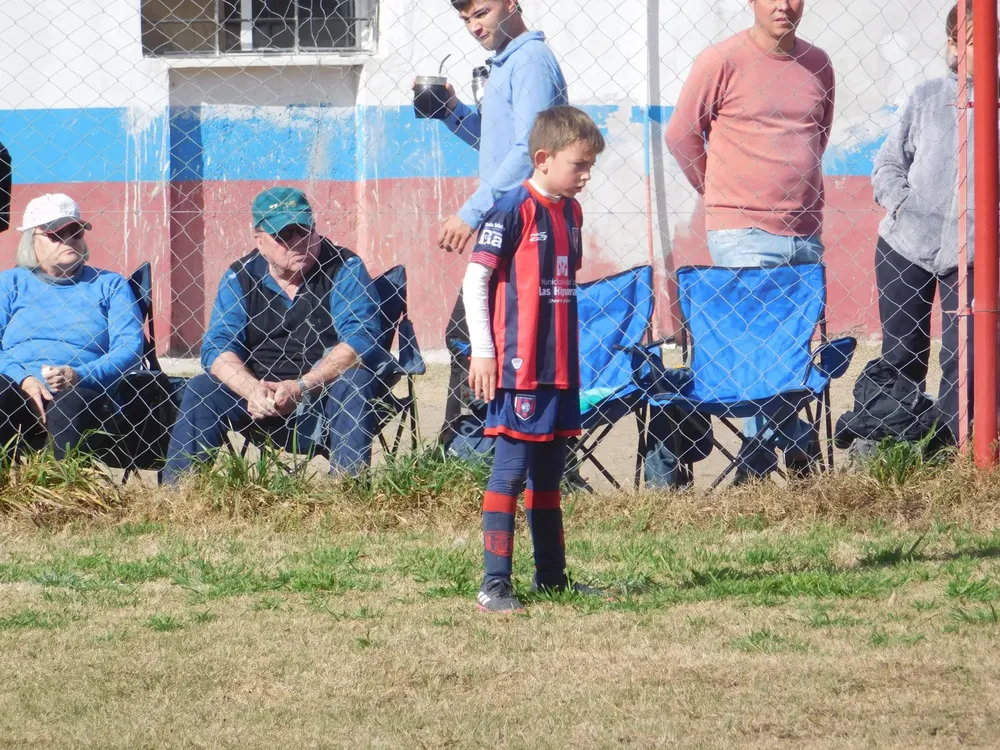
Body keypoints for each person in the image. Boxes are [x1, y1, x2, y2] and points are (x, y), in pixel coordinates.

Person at [665, 0, 836, 481]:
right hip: (742, 230)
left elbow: (816, 136)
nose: (784, 5)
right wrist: (716, 191)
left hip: (805, 231)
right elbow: (681, 135)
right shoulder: (721, 60)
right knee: (760, 353)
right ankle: (791, 445)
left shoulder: (818, 63)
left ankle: (756, 464)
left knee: (787, 352)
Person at [464, 106, 605, 613]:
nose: (586, 176)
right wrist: (485, 351)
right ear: (543, 159)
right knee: (510, 472)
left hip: (560, 369)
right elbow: (476, 279)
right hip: (519, 368)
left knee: (549, 476)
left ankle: (552, 577)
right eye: (579, 165)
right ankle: (494, 583)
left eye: (591, 166)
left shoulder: (571, 211)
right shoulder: (511, 208)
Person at [163, 188, 382, 482]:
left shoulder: (345, 267)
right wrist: (251, 389)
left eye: (304, 230)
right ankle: (179, 494)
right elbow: (217, 346)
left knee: (356, 379)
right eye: (284, 236)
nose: (297, 243)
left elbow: (360, 340)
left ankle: (348, 491)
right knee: (203, 388)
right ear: (260, 241)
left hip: (324, 392)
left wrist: (302, 386)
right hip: (257, 397)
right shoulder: (240, 276)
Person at [870, 2, 976, 444]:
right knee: (902, 352)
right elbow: (888, 165)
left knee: (963, 357)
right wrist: (900, 205)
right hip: (905, 245)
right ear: (953, 43)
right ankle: (895, 445)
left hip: (970, 253)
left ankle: (953, 449)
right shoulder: (928, 96)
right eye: (968, 39)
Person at [0, 193, 143, 457]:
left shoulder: (110, 285)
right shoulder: (10, 284)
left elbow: (130, 348)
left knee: (71, 403)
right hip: (15, 383)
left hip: (81, 387)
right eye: (56, 234)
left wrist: (79, 375)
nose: (68, 240)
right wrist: (24, 379)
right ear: (31, 241)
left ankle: (58, 487)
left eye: (75, 231)